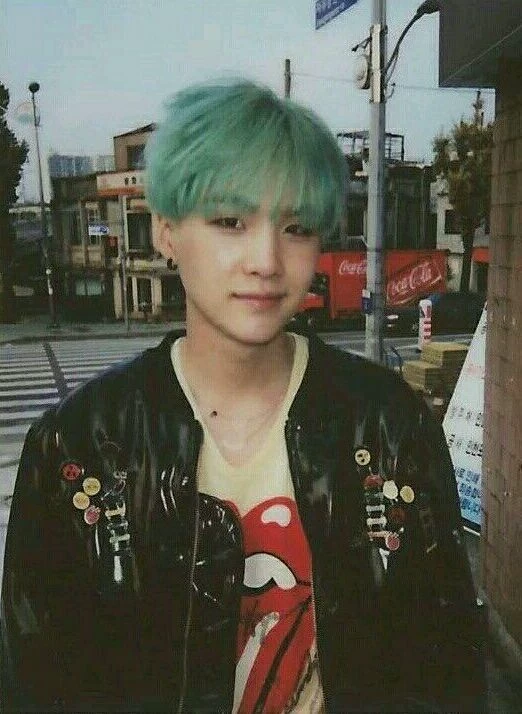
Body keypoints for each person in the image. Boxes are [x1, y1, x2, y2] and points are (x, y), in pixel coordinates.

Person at [1, 79, 485, 713]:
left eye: (296, 227)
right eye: (230, 221)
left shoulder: (388, 426)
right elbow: (39, 678)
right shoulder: (81, 443)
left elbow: (446, 666)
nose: (266, 260)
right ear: (166, 230)